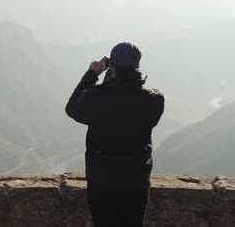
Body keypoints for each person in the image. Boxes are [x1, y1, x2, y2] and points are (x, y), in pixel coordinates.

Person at [65, 42, 164, 227]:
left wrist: (92, 74)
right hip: (136, 181)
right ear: (137, 66)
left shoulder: (94, 98)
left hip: (102, 182)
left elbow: (71, 108)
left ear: (111, 65)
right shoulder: (154, 100)